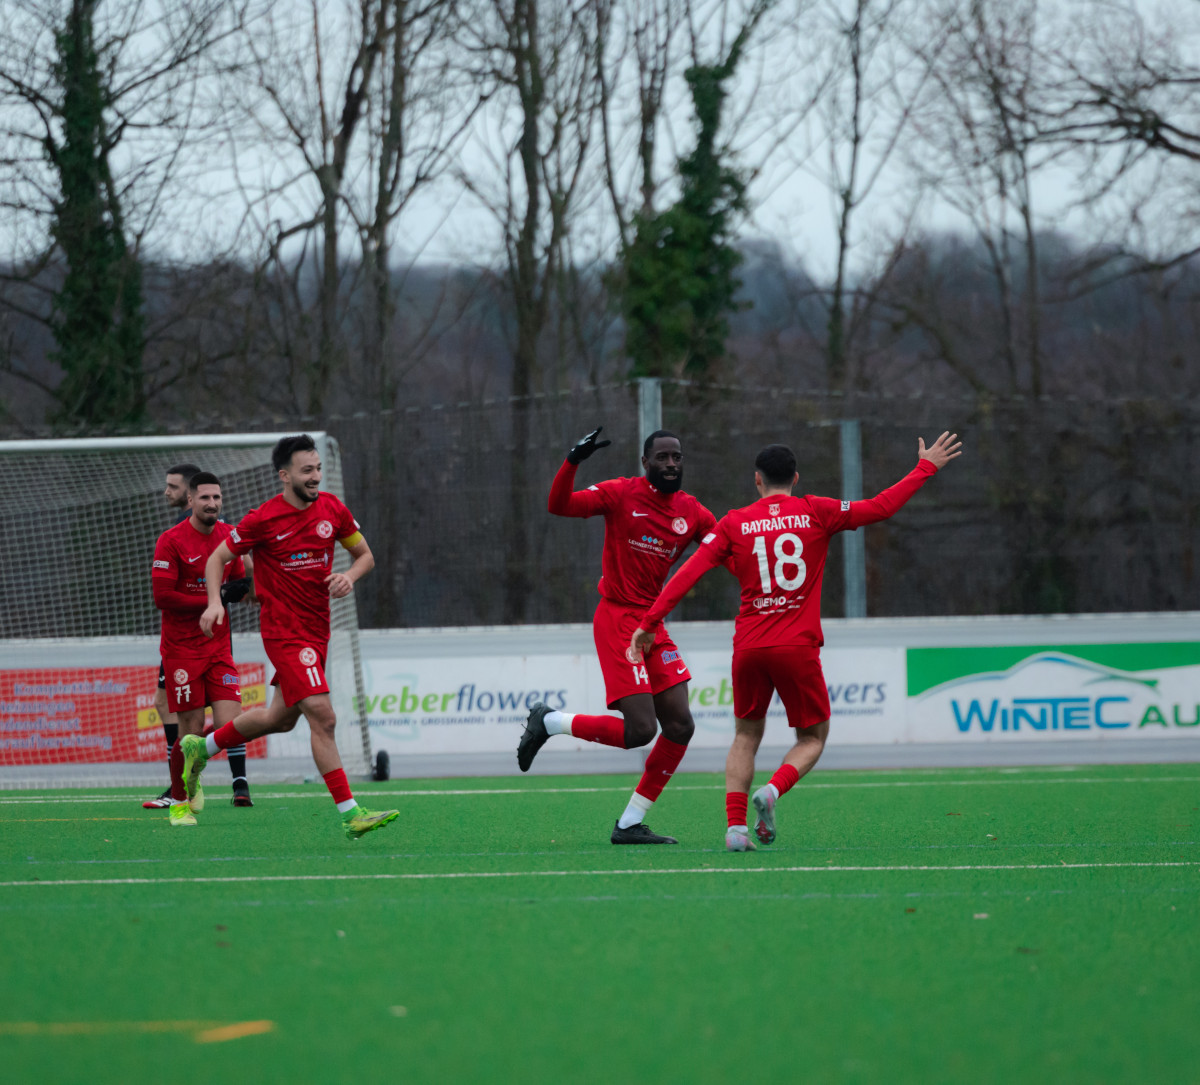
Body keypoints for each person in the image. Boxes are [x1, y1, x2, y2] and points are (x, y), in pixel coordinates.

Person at [630, 433, 962, 851]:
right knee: (812, 738)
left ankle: (735, 830)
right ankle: (772, 791)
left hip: (749, 647)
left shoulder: (734, 521)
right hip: (796, 647)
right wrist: (924, 467)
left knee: (745, 736)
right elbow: (881, 507)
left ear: (757, 480)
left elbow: (687, 574)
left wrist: (649, 621)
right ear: (796, 478)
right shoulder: (816, 511)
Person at [182, 434, 399, 840]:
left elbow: (365, 555)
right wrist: (214, 602)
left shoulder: (332, 509)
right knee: (324, 715)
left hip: (317, 632)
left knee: (279, 719)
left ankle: (202, 748)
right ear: (285, 475)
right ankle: (351, 813)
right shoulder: (263, 519)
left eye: (318, 469)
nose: (315, 477)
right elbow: (217, 558)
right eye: (307, 471)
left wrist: (348, 577)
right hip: (284, 632)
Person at [518, 427, 720, 845]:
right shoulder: (620, 494)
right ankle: (551, 722)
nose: (671, 464)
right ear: (645, 463)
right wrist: (573, 461)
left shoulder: (693, 512)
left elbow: (723, 547)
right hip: (618, 620)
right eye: (662, 457)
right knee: (641, 731)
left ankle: (629, 823)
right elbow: (559, 506)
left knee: (680, 725)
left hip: (653, 624)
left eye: (677, 457)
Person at [142, 463, 254, 809]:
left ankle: (221, 775)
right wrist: (211, 600)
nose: (212, 503)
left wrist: (246, 591)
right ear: (191, 500)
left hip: (218, 646)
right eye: (205, 497)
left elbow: (239, 585)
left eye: (217, 497)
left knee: (230, 724)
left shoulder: (229, 537)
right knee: (187, 728)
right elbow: (163, 597)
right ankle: (180, 794)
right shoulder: (171, 540)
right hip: (181, 650)